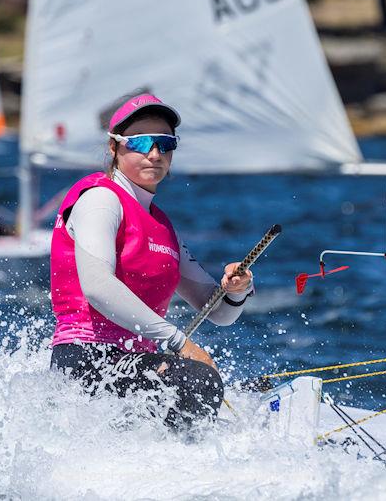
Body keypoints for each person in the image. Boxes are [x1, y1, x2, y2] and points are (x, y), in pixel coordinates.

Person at [50, 93, 254, 429]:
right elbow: (97, 287)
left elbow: (218, 313)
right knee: (198, 380)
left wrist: (237, 288)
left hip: (135, 362)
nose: (155, 153)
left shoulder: (162, 225)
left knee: (199, 380)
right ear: (114, 148)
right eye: (141, 142)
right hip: (85, 358)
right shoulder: (101, 200)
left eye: (165, 143)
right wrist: (178, 342)